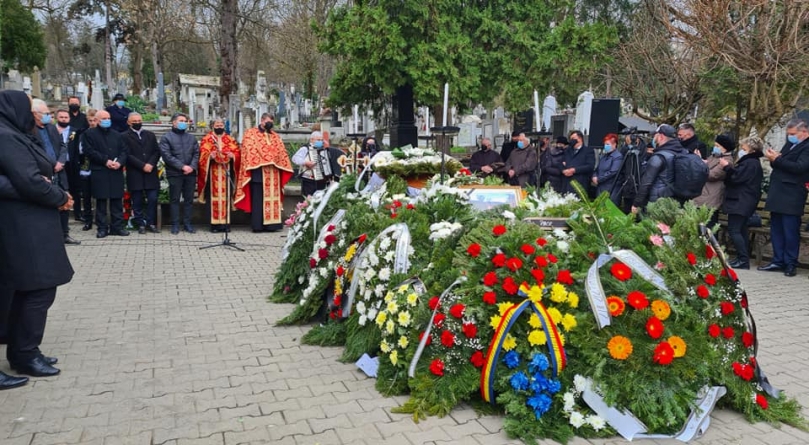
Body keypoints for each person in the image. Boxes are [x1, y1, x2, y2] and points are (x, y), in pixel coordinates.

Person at [0, 90, 74, 379]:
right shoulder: (6, 137)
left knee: (30, 289)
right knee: (38, 288)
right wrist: (58, 196)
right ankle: (25, 352)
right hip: (22, 226)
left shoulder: (14, 133)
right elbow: (30, 181)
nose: (35, 116)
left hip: (28, 223)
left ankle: (23, 351)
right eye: (31, 111)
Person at [758, 118, 809, 277]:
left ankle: (790, 263)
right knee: (777, 230)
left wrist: (778, 159)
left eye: (793, 134)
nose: (789, 137)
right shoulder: (790, 144)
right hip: (778, 192)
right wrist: (774, 159)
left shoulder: (807, 147)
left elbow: (800, 167)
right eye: (788, 134)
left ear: (804, 132)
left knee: (790, 231)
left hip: (792, 194)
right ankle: (777, 260)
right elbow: (780, 163)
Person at [31, 100, 80, 245]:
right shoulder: (30, 131)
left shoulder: (52, 129)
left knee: (64, 200)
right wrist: (53, 164)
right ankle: (49, 236)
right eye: (46, 114)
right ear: (35, 114)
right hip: (44, 172)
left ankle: (65, 234)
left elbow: (63, 146)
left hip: (60, 171)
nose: (49, 117)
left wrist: (61, 162)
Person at [234, 114, 294, 232]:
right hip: (258, 173)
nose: (270, 123)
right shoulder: (250, 134)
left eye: (271, 121)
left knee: (273, 199)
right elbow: (248, 151)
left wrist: (274, 159)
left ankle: (272, 225)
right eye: (268, 120)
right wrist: (267, 158)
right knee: (258, 200)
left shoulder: (275, 136)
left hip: (274, 173)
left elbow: (282, 152)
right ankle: (258, 226)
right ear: (262, 121)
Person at [82, 109, 129, 238]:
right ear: (96, 120)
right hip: (100, 170)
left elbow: (124, 151)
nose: (107, 121)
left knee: (116, 200)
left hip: (116, 170)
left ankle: (117, 227)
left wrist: (119, 162)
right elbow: (89, 151)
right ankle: (102, 228)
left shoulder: (116, 135)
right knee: (101, 201)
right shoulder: (89, 134)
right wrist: (105, 161)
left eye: (108, 118)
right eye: (104, 118)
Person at [720, 137, 764, 270]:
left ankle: (743, 259)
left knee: (734, 230)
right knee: (741, 230)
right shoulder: (752, 162)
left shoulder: (750, 163)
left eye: (744, 149)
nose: (741, 151)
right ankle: (742, 258)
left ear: (751, 150)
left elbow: (736, 178)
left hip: (741, 201)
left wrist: (727, 167)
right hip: (743, 200)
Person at [631, 124, 689, 213]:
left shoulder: (659, 157)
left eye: (655, 135)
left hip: (657, 202)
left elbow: (646, 183)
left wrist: (636, 204)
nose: (654, 138)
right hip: (676, 201)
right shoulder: (683, 153)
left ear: (661, 136)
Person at [159, 113, 200, 234]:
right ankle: (175, 224)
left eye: (185, 121)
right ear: (174, 122)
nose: (184, 123)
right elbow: (167, 156)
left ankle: (187, 224)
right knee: (175, 199)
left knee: (189, 200)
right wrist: (182, 166)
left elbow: (196, 153)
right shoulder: (167, 137)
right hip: (175, 172)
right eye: (181, 120)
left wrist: (192, 166)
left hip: (190, 173)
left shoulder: (191, 138)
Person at [198, 119, 240, 233]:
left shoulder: (230, 139)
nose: (219, 126)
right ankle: (214, 225)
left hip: (226, 173)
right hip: (212, 173)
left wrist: (233, 156)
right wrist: (209, 157)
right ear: (213, 126)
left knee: (226, 198)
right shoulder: (207, 139)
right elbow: (202, 154)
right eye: (217, 125)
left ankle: (226, 224)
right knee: (213, 199)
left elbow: (237, 152)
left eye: (221, 125)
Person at [124, 112, 161, 234]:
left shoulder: (150, 135)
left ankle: (151, 222)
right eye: (134, 121)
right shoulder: (124, 136)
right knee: (137, 200)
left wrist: (150, 164)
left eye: (139, 121)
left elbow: (156, 151)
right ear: (129, 122)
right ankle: (140, 223)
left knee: (152, 199)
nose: (137, 123)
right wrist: (142, 165)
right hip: (135, 172)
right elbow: (127, 154)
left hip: (150, 172)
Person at [693, 134, 733, 228]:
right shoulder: (714, 156)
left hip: (711, 197)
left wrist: (700, 165)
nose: (715, 148)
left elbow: (712, 175)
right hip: (702, 195)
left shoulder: (727, 160)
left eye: (718, 146)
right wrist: (700, 160)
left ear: (725, 148)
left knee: (709, 227)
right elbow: (706, 166)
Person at [292, 131, 343, 197]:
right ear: (311, 139)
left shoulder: (325, 151)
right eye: (318, 140)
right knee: (308, 200)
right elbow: (295, 158)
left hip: (322, 181)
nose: (320, 142)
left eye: (321, 140)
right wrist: (305, 162)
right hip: (308, 180)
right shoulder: (305, 149)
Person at [56, 108, 84, 223]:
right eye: (61, 117)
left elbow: (79, 149)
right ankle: (60, 213)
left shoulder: (75, 131)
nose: (64, 119)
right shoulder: (52, 131)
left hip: (72, 164)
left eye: (66, 117)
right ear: (57, 118)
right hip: (57, 165)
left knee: (75, 189)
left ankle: (77, 213)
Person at [591, 133, 623, 205]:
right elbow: (597, 168)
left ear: (614, 144)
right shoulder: (603, 156)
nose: (606, 146)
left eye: (608, 144)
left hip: (611, 189)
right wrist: (594, 176)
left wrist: (599, 179)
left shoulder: (618, 157)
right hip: (600, 187)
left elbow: (613, 172)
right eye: (605, 144)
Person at [79, 109, 97, 231]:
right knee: (86, 197)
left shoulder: (103, 133)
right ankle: (88, 220)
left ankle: (101, 219)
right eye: (90, 120)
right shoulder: (83, 134)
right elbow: (80, 150)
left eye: (94, 120)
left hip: (99, 168)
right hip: (86, 167)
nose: (92, 123)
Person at [562, 130, 596, 195]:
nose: (572, 141)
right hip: (567, 184)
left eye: (573, 139)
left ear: (580, 139)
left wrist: (574, 170)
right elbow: (561, 163)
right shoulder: (567, 150)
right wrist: (563, 170)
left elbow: (590, 166)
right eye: (570, 139)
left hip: (580, 185)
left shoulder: (588, 151)